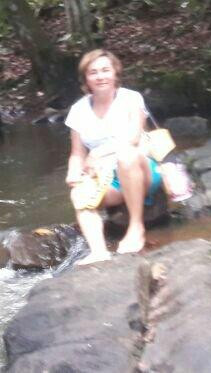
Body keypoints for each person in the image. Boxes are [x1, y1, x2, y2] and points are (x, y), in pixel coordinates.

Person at [64, 49, 162, 263]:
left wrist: (99, 152)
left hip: (140, 169)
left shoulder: (131, 99)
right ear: (86, 79)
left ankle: (136, 228)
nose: (100, 76)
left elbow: (134, 138)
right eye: (93, 72)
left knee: (126, 155)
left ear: (115, 73)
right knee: (79, 194)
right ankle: (98, 251)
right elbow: (77, 153)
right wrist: (73, 173)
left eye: (105, 70)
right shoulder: (78, 110)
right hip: (109, 180)